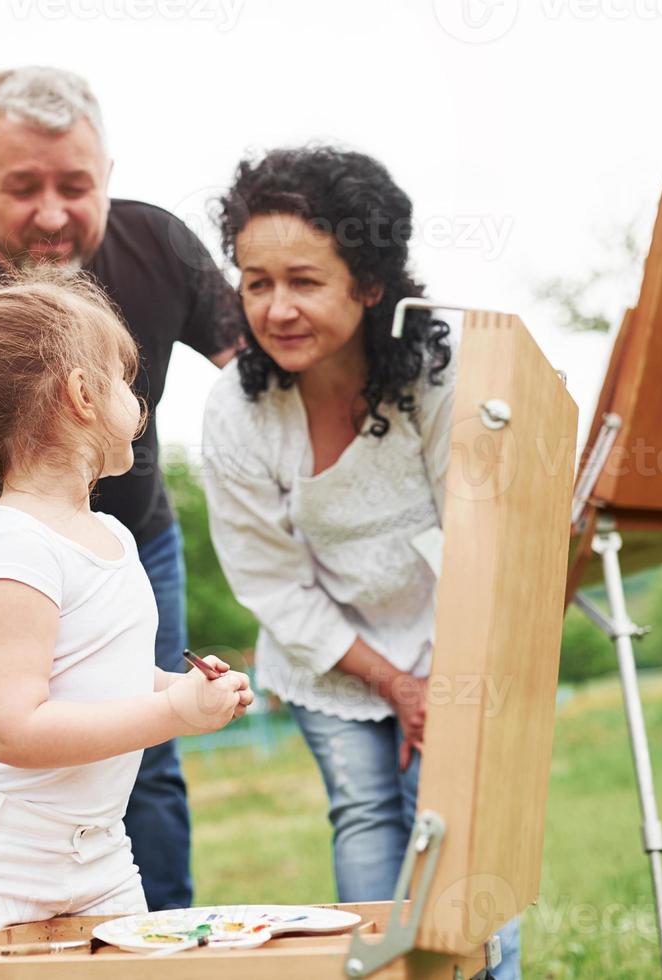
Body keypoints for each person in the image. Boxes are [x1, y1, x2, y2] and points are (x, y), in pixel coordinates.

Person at [0, 66, 238, 911]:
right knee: (14, 744)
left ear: (108, 175)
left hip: (118, 538)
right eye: (25, 188)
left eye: (77, 185)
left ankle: (153, 944)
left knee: (145, 773)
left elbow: (257, 367)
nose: (54, 213)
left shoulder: (160, 248)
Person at [0, 268, 254, 949]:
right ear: (82, 395)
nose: (135, 400)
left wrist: (186, 688)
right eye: (121, 380)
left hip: (99, 859)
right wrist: (170, 714)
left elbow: (111, 674)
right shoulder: (18, 549)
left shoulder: (110, 535)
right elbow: (13, 729)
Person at [200, 145, 455, 903]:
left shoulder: (439, 378)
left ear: (369, 283)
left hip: (451, 633)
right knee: (366, 814)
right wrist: (393, 684)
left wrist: (442, 683)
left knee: (449, 816)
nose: (278, 309)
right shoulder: (236, 411)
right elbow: (271, 583)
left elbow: (483, 543)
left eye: (305, 282)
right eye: (257, 283)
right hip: (328, 651)